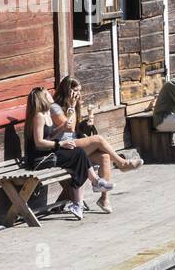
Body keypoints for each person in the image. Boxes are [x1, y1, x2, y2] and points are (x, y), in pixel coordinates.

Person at [51, 76, 143, 213]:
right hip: (63, 147)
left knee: (105, 157)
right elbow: (68, 128)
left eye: (80, 90)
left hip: (75, 145)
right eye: (75, 90)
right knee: (98, 139)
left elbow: (75, 129)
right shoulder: (55, 107)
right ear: (67, 90)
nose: (78, 94)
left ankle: (104, 199)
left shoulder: (73, 104)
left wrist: (86, 123)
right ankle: (122, 163)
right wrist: (71, 106)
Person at [23, 87, 111, 220]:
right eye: (47, 94)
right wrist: (60, 144)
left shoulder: (46, 114)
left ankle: (82, 199)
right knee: (78, 156)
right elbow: (39, 143)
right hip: (40, 159)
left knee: (79, 153)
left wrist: (62, 128)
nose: (50, 95)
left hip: (48, 153)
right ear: (42, 98)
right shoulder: (38, 116)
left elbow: (49, 136)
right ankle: (92, 186)